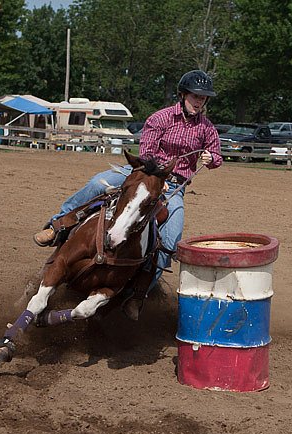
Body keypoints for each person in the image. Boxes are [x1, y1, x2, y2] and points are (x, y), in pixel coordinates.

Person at [33, 69, 223, 319]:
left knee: (171, 238)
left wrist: (211, 159)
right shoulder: (162, 118)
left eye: (203, 98)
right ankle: (58, 225)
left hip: (174, 185)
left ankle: (138, 294)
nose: (199, 101)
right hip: (142, 173)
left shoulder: (207, 128)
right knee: (98, 184)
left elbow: (217, 155)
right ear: (183, 94)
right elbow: (146, 152)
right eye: (195, 96)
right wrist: (155, 179)